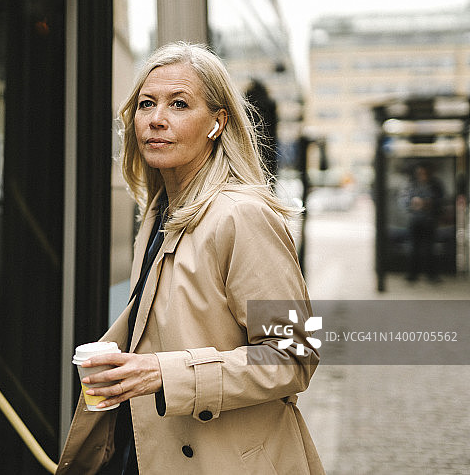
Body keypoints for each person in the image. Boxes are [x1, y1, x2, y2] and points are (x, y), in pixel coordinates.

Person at [57, 42, 323, 474]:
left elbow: (295, 356)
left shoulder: (243, 215)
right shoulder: (160, 211)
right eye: (146, 104)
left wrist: (163, 373)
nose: (157, 118)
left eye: (179, 104)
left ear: (218, 123)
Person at [400, 162, 444, 282]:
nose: (422, 175)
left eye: (424, 173)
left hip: (429, 220)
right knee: (414, 247)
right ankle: (413, 274)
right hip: (415, 220)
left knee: (430, 248)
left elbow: (440, 200)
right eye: (420, 173)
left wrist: (428, 203)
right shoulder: (412, 185)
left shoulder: (435, 185)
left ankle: (431, 275)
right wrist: (413, 204)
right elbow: (404, 200)